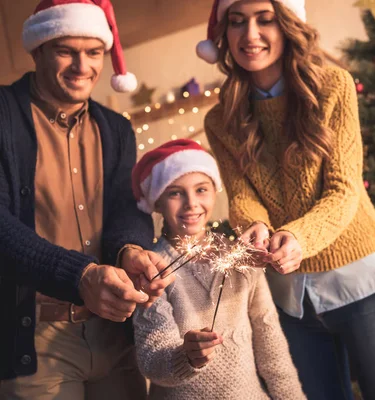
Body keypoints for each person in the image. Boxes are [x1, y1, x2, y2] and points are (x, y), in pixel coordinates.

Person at [0, 0, 173, 398]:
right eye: (66, 51)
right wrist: (80, 276)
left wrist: (130, 250)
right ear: (38, 49)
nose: (82, 67)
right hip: (33, 340)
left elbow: (124, 208)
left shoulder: (116, 128)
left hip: (115, 335)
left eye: (94, 52)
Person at [198, 1, 375, 399]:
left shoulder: (333, 86)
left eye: (265, 19)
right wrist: (254, 227)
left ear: (287, 25)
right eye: (237, 22)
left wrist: (298, 236)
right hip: (291, 300)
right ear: (224, 35)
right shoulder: (220, 120)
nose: (249, 35)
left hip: (361, 283)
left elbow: (344, 189)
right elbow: (242, 195)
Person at [130, 139, 305, 400]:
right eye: (175, 193)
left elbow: (271, 344)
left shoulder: (241, 258)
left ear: (215, 191)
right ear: (157, 202)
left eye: (201, 189)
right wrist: (185, 357)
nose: (191, 203)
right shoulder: (151, 268)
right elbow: (152, 359)